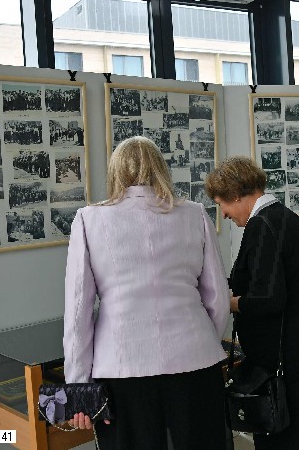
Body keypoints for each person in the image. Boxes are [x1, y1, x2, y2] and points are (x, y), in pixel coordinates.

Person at [63, 136, 230, 450]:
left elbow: (78, 311)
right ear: (161, 168)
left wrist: (77, 385)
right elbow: (218, 298)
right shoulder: (195, 214)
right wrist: (203, 340)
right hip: (195, 359)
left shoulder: (89, 219)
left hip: (123, 364)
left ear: (116, 171)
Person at [205, 156, 299, 450]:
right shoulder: (284, 218)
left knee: (279, 440)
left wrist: (230, 303)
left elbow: (268, 299)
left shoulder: (261, 226)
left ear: (236, 194)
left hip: (296, 353)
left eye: (221, 204)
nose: (224, 214)